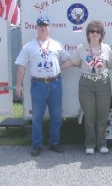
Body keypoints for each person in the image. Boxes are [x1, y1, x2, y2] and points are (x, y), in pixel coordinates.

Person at [15, 16, 70, 157]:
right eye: (40, 26)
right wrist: (19, 84)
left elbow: (68, 60)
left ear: (49, 28)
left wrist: (58, 68)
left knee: (56, 116)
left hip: (55, 83)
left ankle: (54, 143)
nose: (43, 28)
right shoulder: (29, 46)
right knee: (37, 117)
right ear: (36, 28)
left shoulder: (57, 44)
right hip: (38, 85)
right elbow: (22, 66)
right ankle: (37, 145)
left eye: (45, 25)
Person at [62, 20, 112, 154]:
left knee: (102, 116)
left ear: (102, 34)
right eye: (92, 31)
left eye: (98, 31)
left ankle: (102, 144)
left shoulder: (107, 48)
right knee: (89, 116)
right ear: (88, 34)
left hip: (103, 83)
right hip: (86, 84)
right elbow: (73, 62)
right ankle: (90, 144)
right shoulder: (81, 48)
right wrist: (57, 68)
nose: (95, 34)